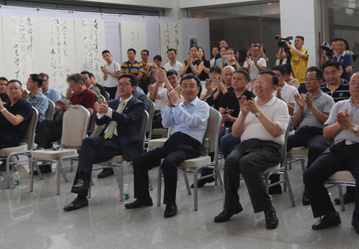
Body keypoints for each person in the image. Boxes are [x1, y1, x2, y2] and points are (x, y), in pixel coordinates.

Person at [303, 72, 359, 236]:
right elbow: (326, 133)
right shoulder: (339, 105)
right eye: (352, 82)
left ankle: (358, 218)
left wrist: (352, 126)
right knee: (310, 175)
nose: (355, 86)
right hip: (339, 150)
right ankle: (330, 215)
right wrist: (341, 125)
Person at [213, 70, 289, 229]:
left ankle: (268, 208)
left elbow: (276, 131)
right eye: (257, 81)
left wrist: (258, 112)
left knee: (247, 162)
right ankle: (231, 206)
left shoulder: (280, 105)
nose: (258, 85)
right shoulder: (249, 103)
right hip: (246, 146)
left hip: (270, 148)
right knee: (231, 160)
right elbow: (236, 133)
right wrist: (243, 114)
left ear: (273, 87)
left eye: (263, 82)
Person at [125, 74, 209, 218]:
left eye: (191, 86)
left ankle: (170, 203)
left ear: (198, 89)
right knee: (139, 160)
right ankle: (143, 197)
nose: (188, 89)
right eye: (184, 86)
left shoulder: (203, 106)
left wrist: (176, 105)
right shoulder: (179, 104)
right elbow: (166, 124)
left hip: (190, 145)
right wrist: (170, 106)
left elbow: (190, 122)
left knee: (169, 163)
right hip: (172, 142)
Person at [63, 74, 146, 211]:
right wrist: (100, 113)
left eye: (125, 84)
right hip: (106, 138)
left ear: (134, 88)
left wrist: (109, 112)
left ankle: (81, 196)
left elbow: (128, 120)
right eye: (119, 84)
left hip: (122, 142)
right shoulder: (112, 103)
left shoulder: (137, 104)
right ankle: (82, 182)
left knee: (85, 155)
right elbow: (100, 122)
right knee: (87, 142)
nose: (121, 87)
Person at [288, 67, 334, 205]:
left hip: (320, 133)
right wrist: (301, 107)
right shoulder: (301, 98)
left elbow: (327, 121)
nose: (307, 82)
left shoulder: (327, 99)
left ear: (320, 82)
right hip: (302, 132)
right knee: (283, 142)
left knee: (315, 148)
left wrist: (311, 106)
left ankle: (309, 187)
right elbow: (295, 123)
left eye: (311, 79)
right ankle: (275, 182)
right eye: (306, 79)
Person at [34, 74, 96, 150]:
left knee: (49, 133)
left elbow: (90, 112)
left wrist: (73, 108)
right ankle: (42, 146)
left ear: (81, 84)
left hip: (77, 124)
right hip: (66, 121)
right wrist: (65, 107)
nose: (72, 89)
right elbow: (68, 100)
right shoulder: (75, 95)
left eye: (73, 86)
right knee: (45, 123)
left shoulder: (90, 94)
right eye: (70, 86)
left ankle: (42, 146)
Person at [218, 69, 256, 163]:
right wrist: (223, 115)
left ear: (246, 82)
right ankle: (209, 168)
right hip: (228, 128)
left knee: (225, 140)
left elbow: (250, 121)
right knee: (213, 138)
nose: (235, 81)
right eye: (234, 78)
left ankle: (233, 164)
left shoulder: (251, 98)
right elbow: (220, 113)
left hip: (244, 130)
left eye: (239, 79)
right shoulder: (227, 95)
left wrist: (231, 119)